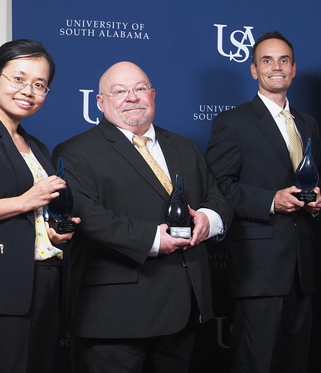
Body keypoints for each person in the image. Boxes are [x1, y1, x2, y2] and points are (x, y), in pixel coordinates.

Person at [52, 61, 232, 372]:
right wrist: (153, 239)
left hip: (183, 308)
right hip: (115, 316)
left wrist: (208, 219)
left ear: (152, 94)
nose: (132, 97)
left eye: (139, 89)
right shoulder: (74, 152)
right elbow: (89, 217)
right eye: (119, 91)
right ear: (100, 101)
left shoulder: (184, 147)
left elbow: (216, 196)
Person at [206, 31, 321, 373]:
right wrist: (271, 200)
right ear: (254, 70)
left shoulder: (308, 124)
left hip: (303, 269)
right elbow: (218, 188)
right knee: (255, 363)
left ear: (294, 69)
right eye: (267, 61)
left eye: (284, 60)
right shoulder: (233, 122)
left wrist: (318, 200)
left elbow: (317, 179)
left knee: (295, 362)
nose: (277, 67)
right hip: (258, 270)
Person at [0, 39, 79, 373]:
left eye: (39, 84)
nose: (28, 90)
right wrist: (26, 200)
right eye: (18, 78)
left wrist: (51, 231)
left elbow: (31, 216)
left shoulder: (37, 146)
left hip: (41, 281)